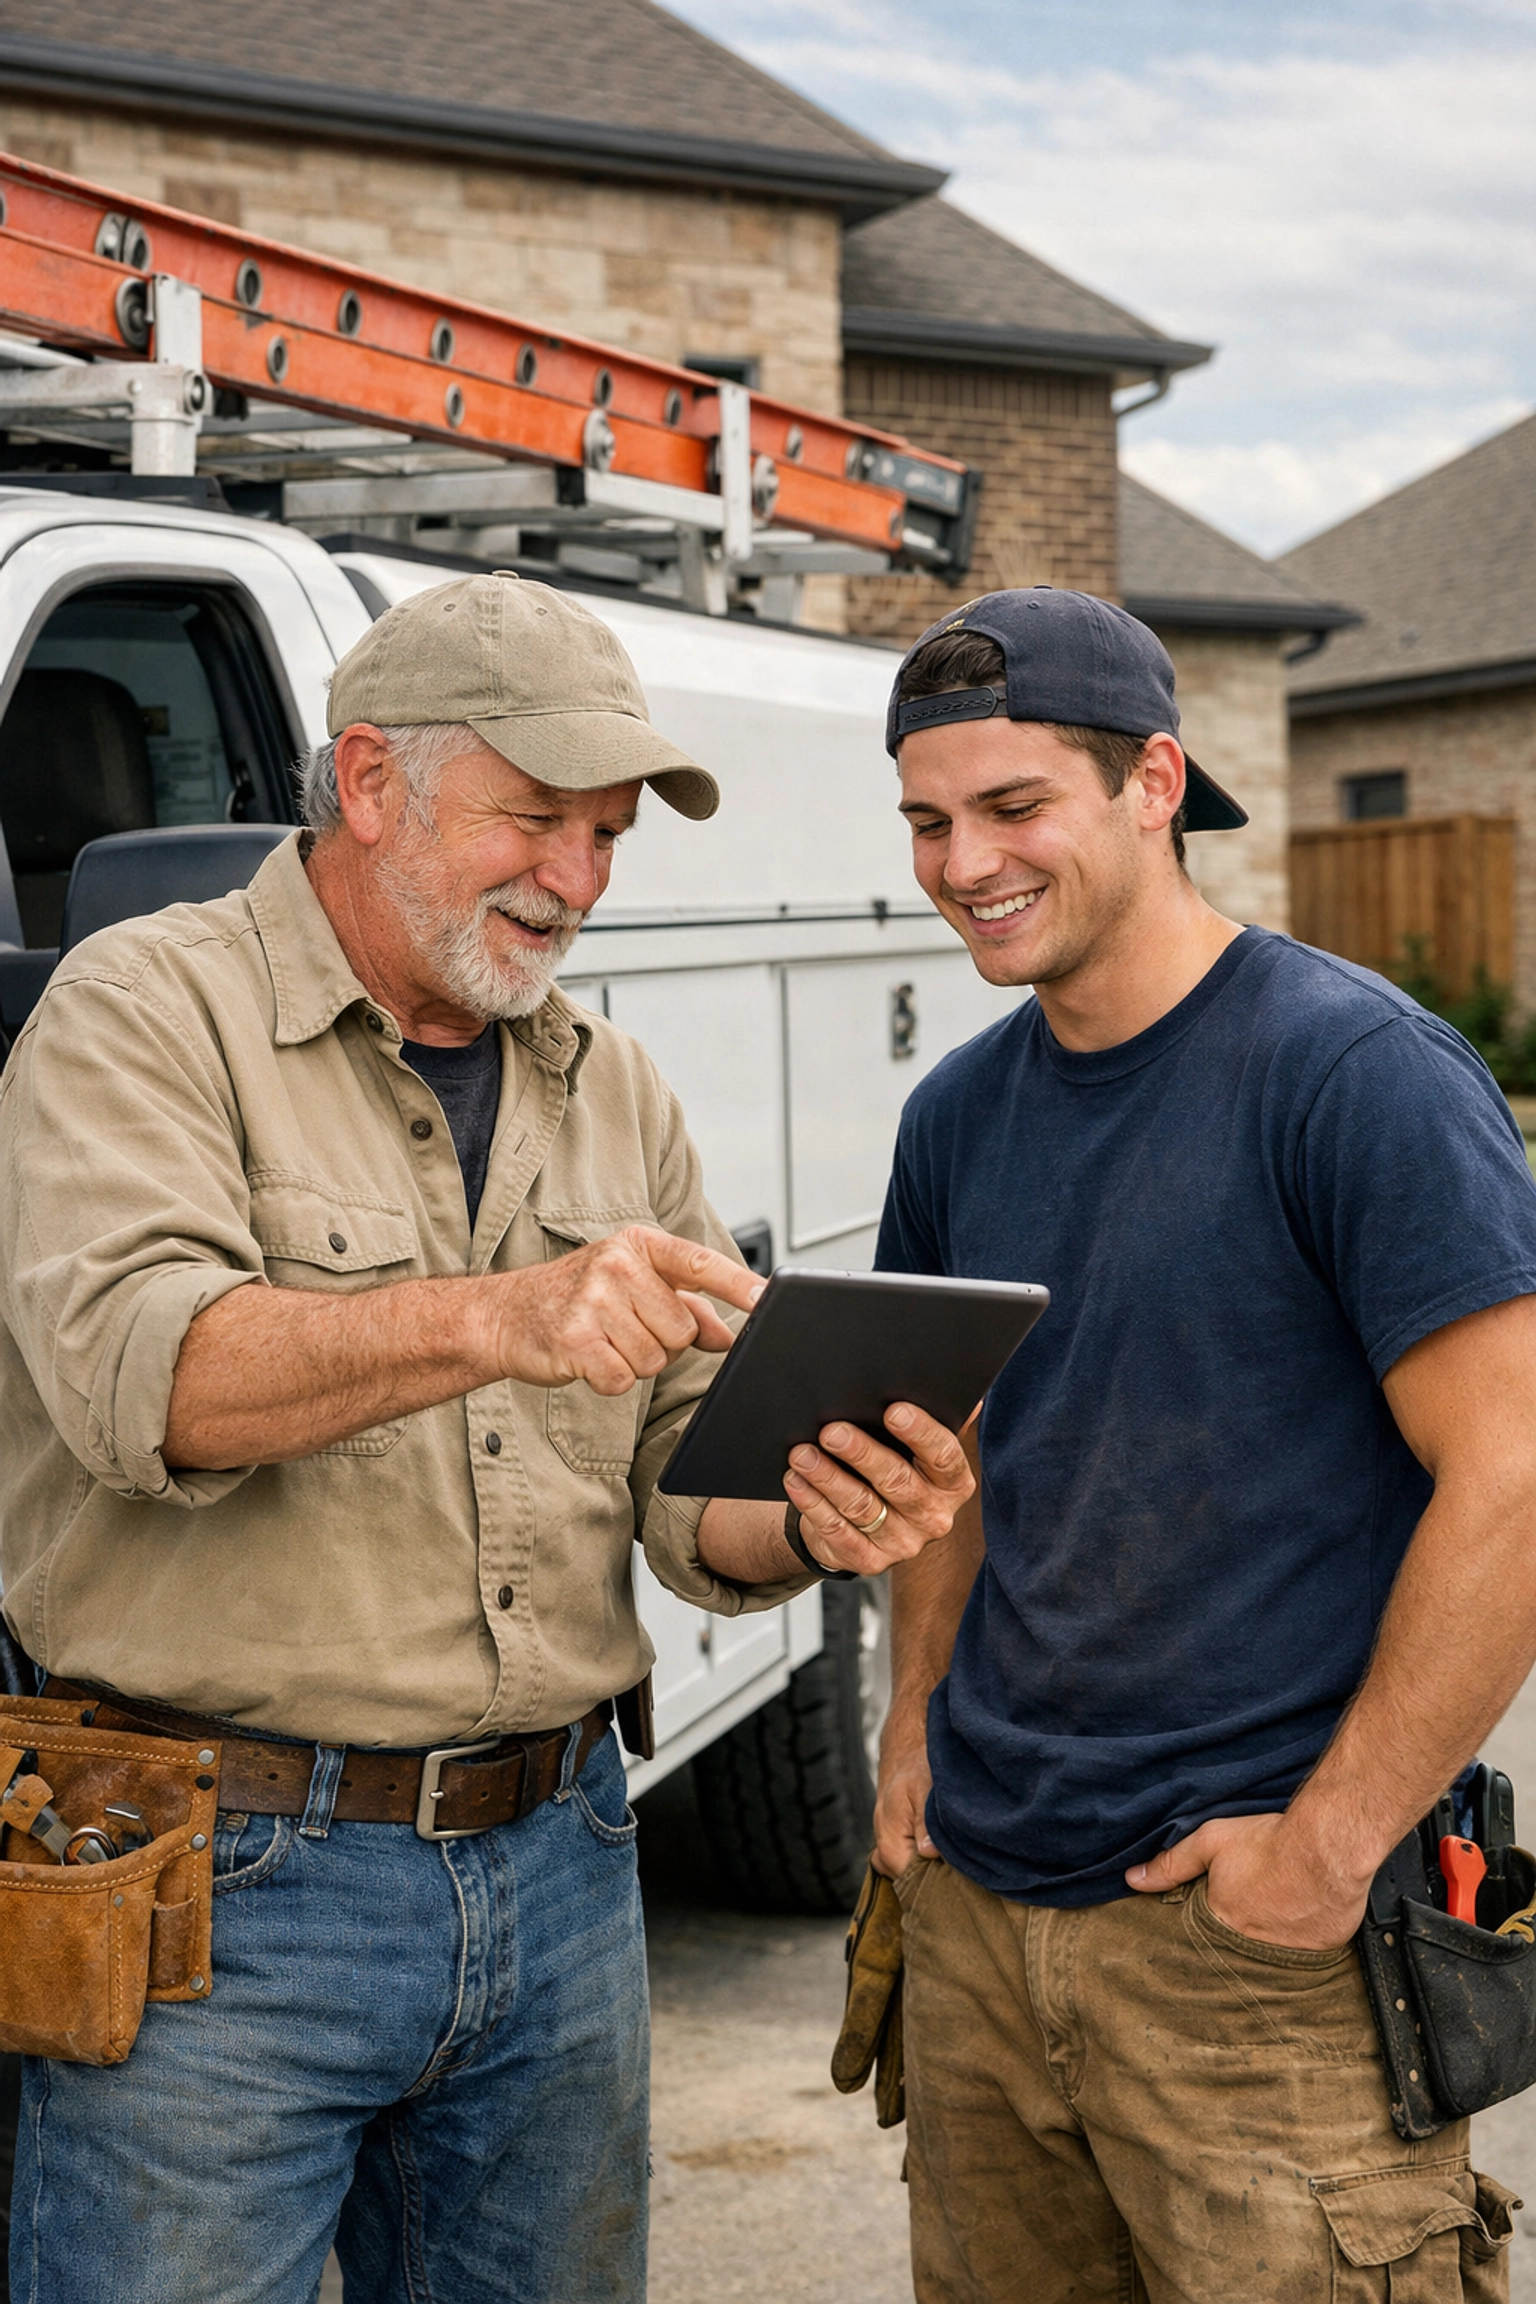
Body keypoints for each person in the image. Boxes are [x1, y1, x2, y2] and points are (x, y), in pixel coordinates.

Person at [0, 572, 973, 2304]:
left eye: (606, 836)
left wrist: (820, 1516)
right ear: (368, 784)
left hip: (565, 1867)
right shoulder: (139, 1012)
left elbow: (694, 1491)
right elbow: (149, 1377)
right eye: (536, 818)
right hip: (216, 1887)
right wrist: (495, 1316)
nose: (578, 881)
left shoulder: (615, 1082)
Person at [872, 586, 1536, 2301]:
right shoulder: (958, 1112)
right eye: (930, 821)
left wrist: (1325, 1852)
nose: (964, 864)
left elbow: (1517, 1477)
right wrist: (908, 1726)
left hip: (1259, 1967)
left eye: (1015, 809)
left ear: (1155, 782)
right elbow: (939, 1455)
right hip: (981, 1927)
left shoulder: (1355, 1074)